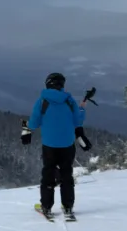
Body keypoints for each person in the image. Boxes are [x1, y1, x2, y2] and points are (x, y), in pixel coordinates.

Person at [21, 72, 90, 217]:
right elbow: (78, 120)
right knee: (66, 174)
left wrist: (26, 129)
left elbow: (33, 123)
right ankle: (68, 207)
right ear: (62, 85)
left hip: (49, 145)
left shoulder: (42, 101)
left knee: (48, 174)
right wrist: (83, 106)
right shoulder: (69, 101)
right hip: (67, 145)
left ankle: (46, 207)